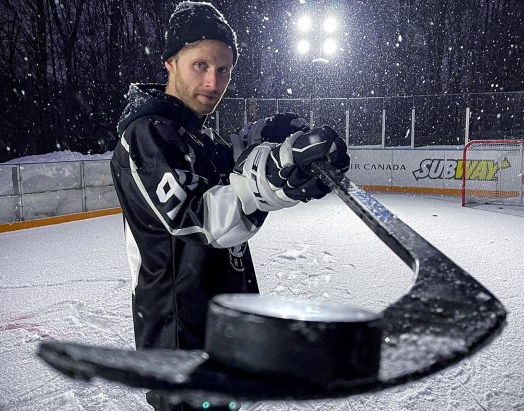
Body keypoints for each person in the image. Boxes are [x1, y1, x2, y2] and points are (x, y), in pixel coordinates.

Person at [110, 2, 350, 410]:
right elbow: (202, 219)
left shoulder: (198, 137)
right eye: (199, 65)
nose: (212, 81)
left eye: (223, 69)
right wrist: (277, 175)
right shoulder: (147, 134)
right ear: (170, 63)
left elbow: (232, 154)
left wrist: (273, 136)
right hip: (181, 347)